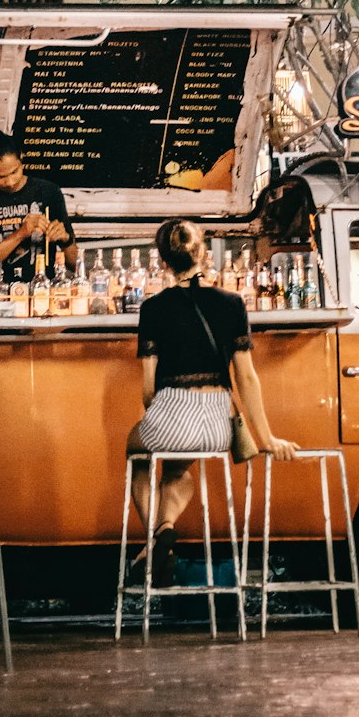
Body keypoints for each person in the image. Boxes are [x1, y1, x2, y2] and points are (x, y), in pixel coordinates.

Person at [126, 217, 298, 585]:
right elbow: (247, 377)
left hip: (171, 413)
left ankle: (155, 538)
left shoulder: (153, 309)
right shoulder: (232, 303)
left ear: (163, 262)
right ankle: (166, 528)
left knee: (137, 453)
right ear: (203, 254)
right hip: (218, 423)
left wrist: (162, 418)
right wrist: (266, 438)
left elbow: (147, 389)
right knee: (177, 471)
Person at [0, 127, 77, 281]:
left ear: (22, 158)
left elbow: (74, 264)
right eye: (0, 177)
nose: (10, 182)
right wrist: (21, 234)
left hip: (41, 290)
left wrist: (65, 239)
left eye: (14, 172)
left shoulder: (49, 192)